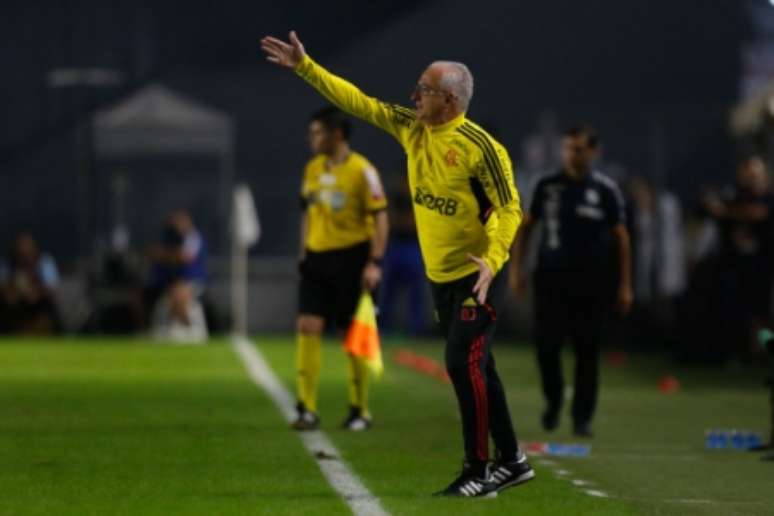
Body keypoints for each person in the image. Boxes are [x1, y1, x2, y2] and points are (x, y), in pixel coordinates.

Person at [261, 31, 534, 498]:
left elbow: (510, 210)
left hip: (479, 274)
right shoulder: (412, 127)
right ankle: (513, 461)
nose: (413, 96)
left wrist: (492, 261)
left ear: (448, 99)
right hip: (442, 274)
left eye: (423, 90)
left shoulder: (480, 147)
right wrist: (307, 68)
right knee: (479, 367)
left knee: (460, 362)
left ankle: (478, 470)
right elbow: (359, 102)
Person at [510, 125, 633, 438]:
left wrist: (625, 285)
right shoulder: (548, 186)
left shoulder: (605, 190)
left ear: (593, 152)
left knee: (587, 351)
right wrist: (516, 270)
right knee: (546, 347)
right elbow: (526, 227)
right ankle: (553, 401)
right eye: (568, 148)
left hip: (592, 282)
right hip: (550, 278)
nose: (572, 155)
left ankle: (582, 417)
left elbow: (622, 238)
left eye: (579, 149)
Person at [291, 106, 389, 432]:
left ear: (337, 134)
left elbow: (380, 217)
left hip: (352, 258)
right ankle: (306, 408)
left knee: (351, 335)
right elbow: (307, 211)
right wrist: (303, 250)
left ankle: (359, 409)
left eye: (317, 132)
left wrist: (375, 261)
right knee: (307, 325)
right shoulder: (312, 169)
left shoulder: (364, 171)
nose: (311, 138)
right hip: (317, 258)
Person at [0, 233, 62, 335]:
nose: (25, 258)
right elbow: (4, 290)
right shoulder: (7, 266)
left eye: (28, 253)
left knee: (49, 305)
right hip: (15, 309)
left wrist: (35, 292)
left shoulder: (44, 262)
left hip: (39, 307)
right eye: (21, 254)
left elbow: (53, 288)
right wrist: (17, 291)